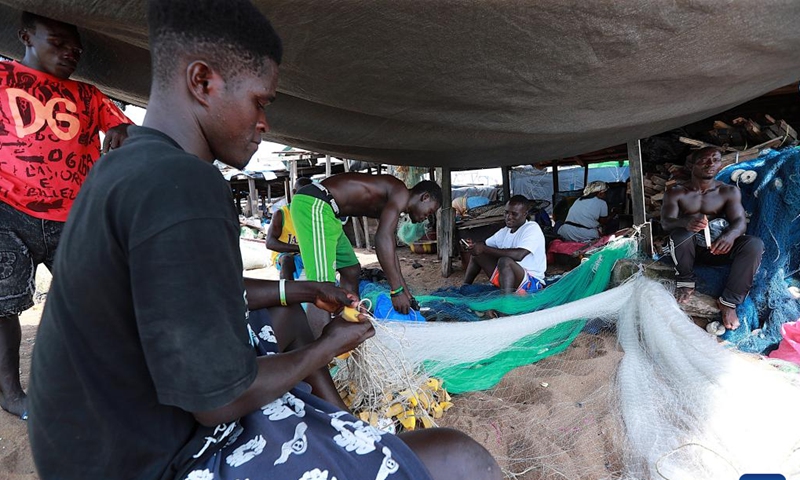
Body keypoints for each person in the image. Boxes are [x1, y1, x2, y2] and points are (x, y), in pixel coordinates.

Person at [27, 2, 502, 480]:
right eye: (260, 102)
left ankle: (346, 427)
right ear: (202, 81)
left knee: (287, 311)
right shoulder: (186, 185)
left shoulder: (130, 164)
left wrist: (303, 290)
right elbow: (219, 402)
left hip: (87, 441)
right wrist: (328, 346)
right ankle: (353, 440)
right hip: (150, 460)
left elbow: (206, 294)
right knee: (460, 459)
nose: (264, 124)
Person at [0, 12, 132, 420]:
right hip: (7, 211)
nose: (69, 53)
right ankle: (10, 393)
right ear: (25, 36)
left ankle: (104, 381)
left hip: (74, 217)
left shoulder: (90, 95)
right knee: (4, 305)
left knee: (100, 301)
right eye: (57, 42)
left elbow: (129, 129)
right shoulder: (2, 78)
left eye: (76, 49)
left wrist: (125, 131)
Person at [291, 173, 442, 314]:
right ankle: (321, 339)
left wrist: (406, 294)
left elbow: (390, 252)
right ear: (425, 197)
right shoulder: (401, 193)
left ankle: (351, 318)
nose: (425, 218)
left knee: (351, 270)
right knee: (323, 288)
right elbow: (382, 237)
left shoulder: (395, 199)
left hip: (330, 212)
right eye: (429, 212)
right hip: (315, 204)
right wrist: (396, 291)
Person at [661, 147, 764, 331]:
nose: (710, 164)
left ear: (720, 165)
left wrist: (730, 236)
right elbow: (666, 223)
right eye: (704, 160)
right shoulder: (676, 192)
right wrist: (686, 222)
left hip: (720, 248)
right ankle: (685, 282)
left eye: (715, 160)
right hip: (690, 252)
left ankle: (729, 302)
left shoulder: (728, 191)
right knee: (680, 235)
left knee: (754, 244)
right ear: (691, 164)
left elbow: (740, 222)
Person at [462, 195, 547, 294]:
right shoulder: (505, 231)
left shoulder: (532, 228)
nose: (508, 217)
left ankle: (506, 301)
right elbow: (484, 245)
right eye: (506, 213)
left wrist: (484, 248)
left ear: (525, 214)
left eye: (514, 214)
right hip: (508, 278)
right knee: (477, 253)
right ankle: (465, 288)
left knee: (505, 261)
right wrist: (473, 245)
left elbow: (519, 255)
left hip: (530, 283)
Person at [267, 176, 313, 280]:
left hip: (307, 254)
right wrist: (299, 249)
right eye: (303, 194)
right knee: (287, 259)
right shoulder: (281, 214)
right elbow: (270, 243)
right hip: (284, 256)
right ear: (294, 193)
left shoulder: (314, 214)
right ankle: (286, 292)